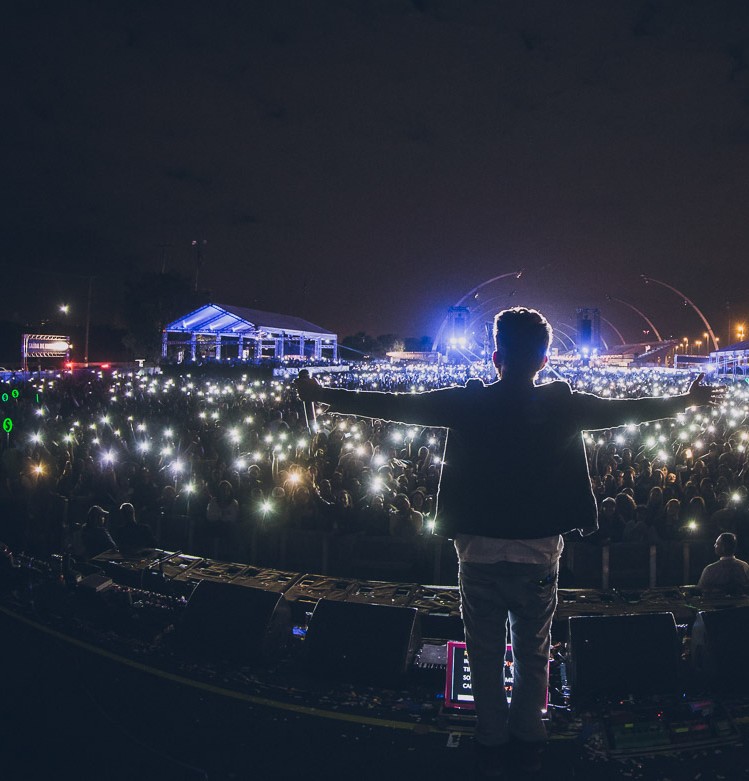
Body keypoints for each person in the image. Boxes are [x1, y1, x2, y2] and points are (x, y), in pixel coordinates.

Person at [296, 307, 713, 774]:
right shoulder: (562, 405)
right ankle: (529, 733)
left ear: (495, 357)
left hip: (478, 553)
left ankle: (490, 735)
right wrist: (687, 401)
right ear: (544, 359)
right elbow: (624, 412)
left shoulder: (469, 403)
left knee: (484, 652)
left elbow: (397, 405)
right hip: (538, 555)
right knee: (533, 652)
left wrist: (322, 395)